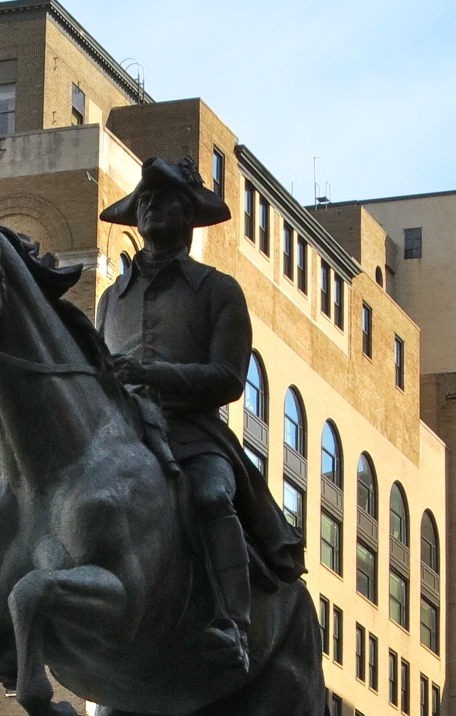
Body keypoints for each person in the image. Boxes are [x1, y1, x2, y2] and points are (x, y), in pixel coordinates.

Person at [98, 154, 303, 676]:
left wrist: (156, 376)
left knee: (212, 495)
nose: (149, 206)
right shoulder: (109, 300)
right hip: (121, 434)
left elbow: (230, 380)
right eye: (144, 199)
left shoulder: (218, 291)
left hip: (193, 433)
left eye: (163, 198)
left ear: (189, 215)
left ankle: (235, 625)